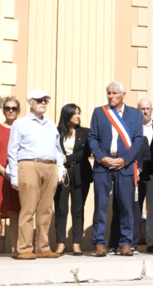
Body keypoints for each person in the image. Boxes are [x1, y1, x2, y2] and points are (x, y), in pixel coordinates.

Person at [7, 89, 66, 259]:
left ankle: (42, 247)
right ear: (30, 102)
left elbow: (58, 150)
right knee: (28, 208)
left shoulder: (51, 124)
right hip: (29, 165)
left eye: (46, 100)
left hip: (50, 167)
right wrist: (14, 176)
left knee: (46, 209)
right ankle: (24, 248)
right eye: (39, 100)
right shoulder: (21, 123)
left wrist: (60, 170)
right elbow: (13, 151)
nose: (43, 103)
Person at [88, 81, 143, 257]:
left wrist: (125, 160)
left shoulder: (134, 114)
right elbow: (93, 138)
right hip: (103, 166)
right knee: (101, 206)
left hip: (124, 166)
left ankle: (126, 242)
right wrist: (102, 158)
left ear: (123, 95)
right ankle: (99, 243)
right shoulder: (99, 112)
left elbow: (138, 140)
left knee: (126, 206)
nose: (111, 96)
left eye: (114, 93)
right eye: (109, 93)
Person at [54, 104, 92, 256]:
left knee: (78, 210)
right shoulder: (56, 132)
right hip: (61, 175)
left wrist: (66, 158)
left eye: (79, 113)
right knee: (61, 210)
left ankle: (76, 244)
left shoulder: (85, 132)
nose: (78, 116)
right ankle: (60, 244)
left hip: (81, 173)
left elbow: (85, 153)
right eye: (74, 113)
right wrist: (61, 161)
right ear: (66, 115)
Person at [137, 98, 153, 253]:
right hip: (136, 174)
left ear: (152, 110)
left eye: (148, 108)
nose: (145, 111)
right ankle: (130, 241)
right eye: (142, 109)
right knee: (135, 208)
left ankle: (152, 241)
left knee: (152, 209)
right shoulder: (132, 127)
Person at [0, 97, 21, 257]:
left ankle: (15, 249)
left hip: (17, 177)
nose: (10, 111)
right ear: (3, 110)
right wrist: (3, 171)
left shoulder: (23, 129)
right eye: (7, 108)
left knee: (15, 213)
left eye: (14, 108)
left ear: (18, 110)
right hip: (1, 175)